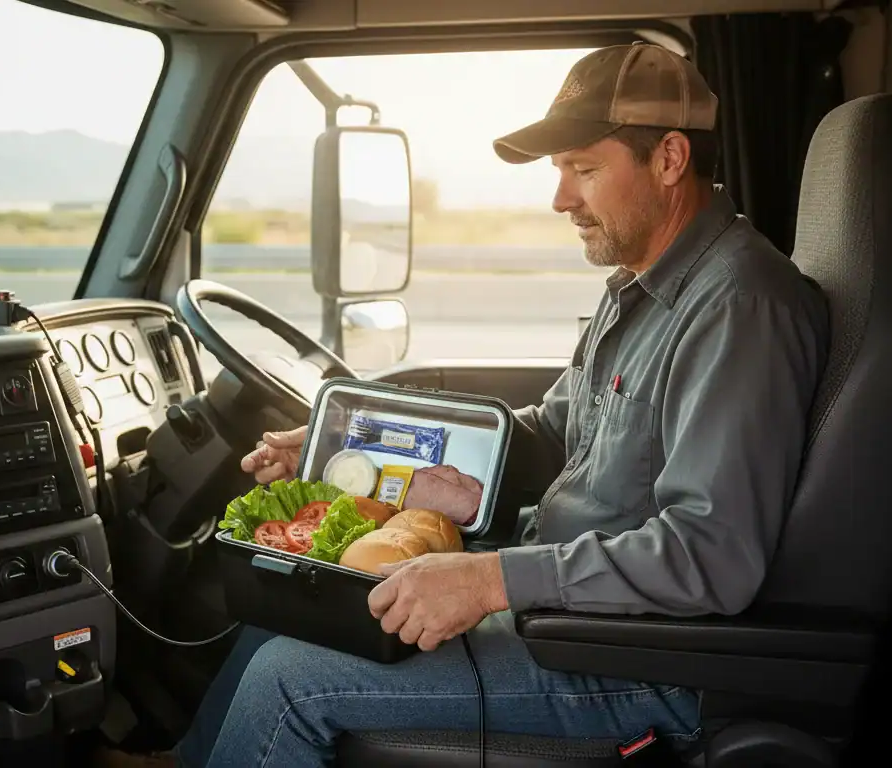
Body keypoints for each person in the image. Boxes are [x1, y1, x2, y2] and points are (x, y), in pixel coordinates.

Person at [105, 42, 830, 767]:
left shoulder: (739, 307)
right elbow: (548, 437)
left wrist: (490, 580)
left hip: (634, 661)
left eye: (584, 169)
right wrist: (345, 444)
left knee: (289, 679)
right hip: (567, 611)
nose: (560, 199)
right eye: (558, 172)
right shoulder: (645, 288)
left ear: (670, 159)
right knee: (298, 605)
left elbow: (713, 554)